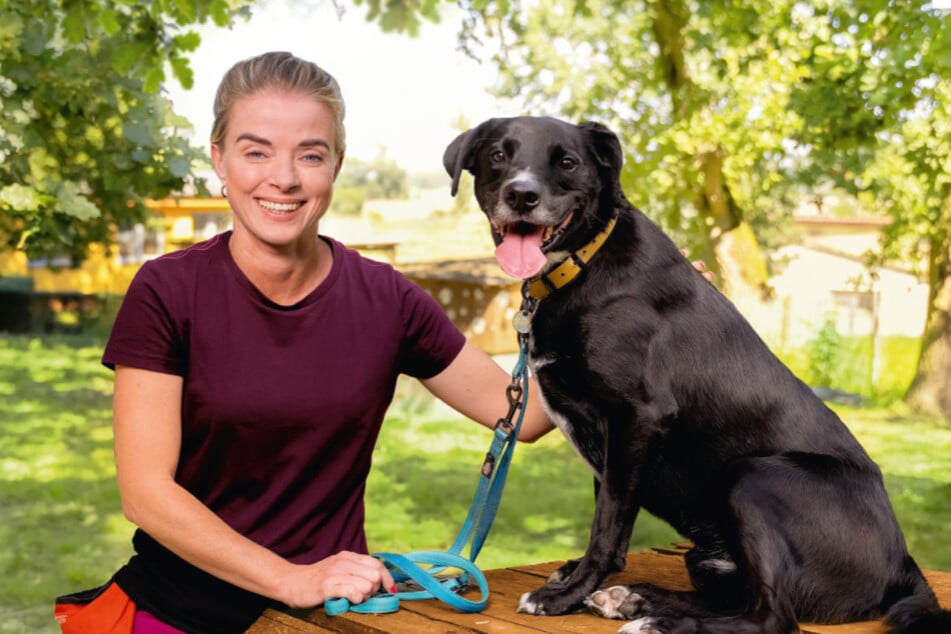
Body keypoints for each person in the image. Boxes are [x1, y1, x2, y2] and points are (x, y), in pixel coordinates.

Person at [57, 51, 710, 634]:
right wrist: (290, 578)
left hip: (331, 615)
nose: (282, 178)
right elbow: (146, 492)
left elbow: (524, 414)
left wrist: (649, 325)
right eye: (255, 151)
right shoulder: (167, 290)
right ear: (218, 160)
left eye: (309, 154)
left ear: (335, 165)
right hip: (181, 613)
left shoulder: (386, 298)